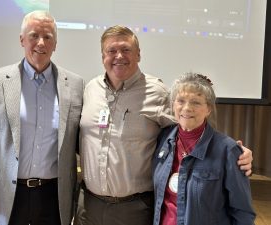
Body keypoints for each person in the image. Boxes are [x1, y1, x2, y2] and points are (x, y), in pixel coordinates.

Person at [74, 25, 253, 225]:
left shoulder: (158, 93)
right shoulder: (90, 89)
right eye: (111, 51)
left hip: (132, 208)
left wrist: (234, 152)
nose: (119, 56)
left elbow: (190, 126)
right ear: (102, 56)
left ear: (139, 54)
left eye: (126, 50)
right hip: (88, 204)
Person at [0, 10, 84, 225]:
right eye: (34, 35)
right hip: (5, 196)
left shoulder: (75, 85)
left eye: (48, 37)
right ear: (22, 39)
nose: (40, 43)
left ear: (55, 44)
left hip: (53, 197)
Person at [153, 73, 256, 225]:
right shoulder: (162, 139)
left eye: (196, 102)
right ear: (173, 104)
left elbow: (243, 212)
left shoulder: (228, 150)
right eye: (181, 101)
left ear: (208, 109)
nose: (187, 108)